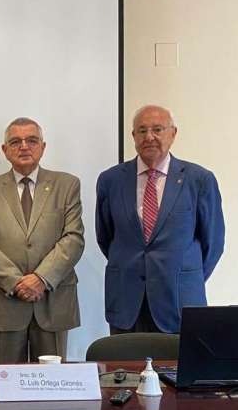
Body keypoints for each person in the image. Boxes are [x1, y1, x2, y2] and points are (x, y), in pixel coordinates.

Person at [96, 105, 225, 334]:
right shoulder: (111, 180)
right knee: (124, 369)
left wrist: (180, 273)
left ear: (173, 133)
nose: (150, 137)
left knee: (177, 370)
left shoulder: (199, 180)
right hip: (126, 302)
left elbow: (212, 243)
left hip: (179, 302)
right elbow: (106, 237)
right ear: (133, 136)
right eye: (142, 130)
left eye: (157, 129)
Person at [0, 118, 84, 363]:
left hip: (52, 301)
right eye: (15, 141)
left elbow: (73, 238)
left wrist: (41, 279)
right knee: (6, 383)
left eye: (31, 140)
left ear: (43, 147)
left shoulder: (67, 185)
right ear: (5, 150)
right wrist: (17, 283)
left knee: (52, 386)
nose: (24, 146)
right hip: (6, 301)